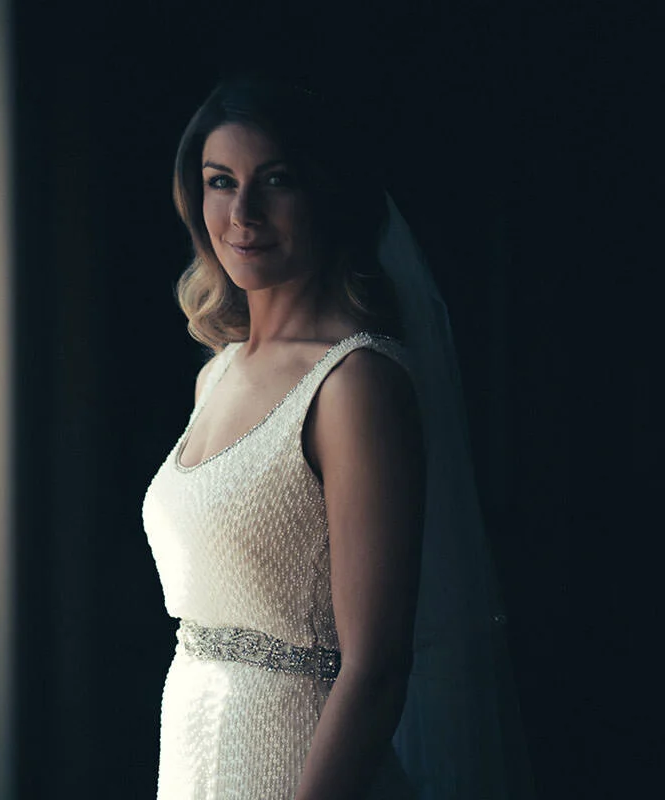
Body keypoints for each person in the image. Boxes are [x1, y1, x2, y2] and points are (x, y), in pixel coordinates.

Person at [142, 77, 532, 799]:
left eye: (276, 181)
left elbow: (378, 666)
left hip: (302, 771)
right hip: (194, 760)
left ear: (328, 194)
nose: (243, 213)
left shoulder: (354, 385)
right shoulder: (216, 375)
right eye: (219, 182)